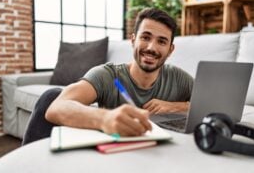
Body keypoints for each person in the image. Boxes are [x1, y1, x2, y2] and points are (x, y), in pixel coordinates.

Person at [22, 8, 193, 145]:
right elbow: (55, 107)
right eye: (145, 37)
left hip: (163, 158)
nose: (151, 47)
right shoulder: (108, 75)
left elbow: (214, 105)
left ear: (170, 50)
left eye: (161, 41)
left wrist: (176, 106)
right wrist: (105, 118)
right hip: (113, 158)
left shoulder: (179, 79)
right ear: (133, 40)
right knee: (50, 96)